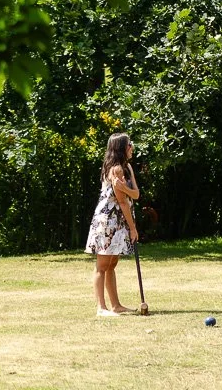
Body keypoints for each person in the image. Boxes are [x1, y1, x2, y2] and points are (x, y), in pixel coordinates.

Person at [85, 132, 140, 317]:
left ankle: (115, 305)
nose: (131, 147)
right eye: (129, 144)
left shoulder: (127, 168)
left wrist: (125, 187)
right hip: (108, 222)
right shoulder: (115, 169)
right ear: (121, 148)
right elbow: (122, 201)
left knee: (112, 264)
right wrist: (133, 228)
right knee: (102, 265)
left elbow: (136, 194)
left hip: (119, 221)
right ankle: (101, 308)